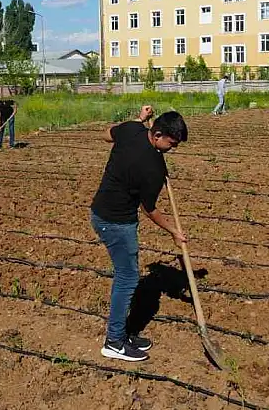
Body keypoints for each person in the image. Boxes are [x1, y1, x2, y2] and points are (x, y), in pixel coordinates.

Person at [90, 105, 189, 362]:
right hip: (116, 222)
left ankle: (125, 332)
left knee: (129, 274)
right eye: (172, 143)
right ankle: (113, 342)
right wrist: (174, 232)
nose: (174, 148)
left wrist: (138, 119)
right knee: (128, 278)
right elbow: (150, 210)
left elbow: (106, 134)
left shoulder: (133, 129)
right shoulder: (152, 167)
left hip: (102, 212)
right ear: (157, 136)